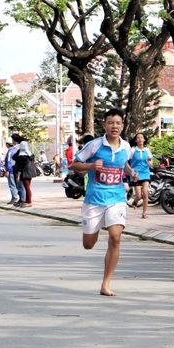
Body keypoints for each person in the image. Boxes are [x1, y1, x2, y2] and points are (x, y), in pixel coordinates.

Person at [69, 109, 134, 297]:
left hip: (117, 199)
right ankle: (93, 230)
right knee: (88, 244)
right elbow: (74, 164)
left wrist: (131, 174)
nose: (115, 126)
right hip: (95, 200)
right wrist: (90, 166)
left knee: (115, 237)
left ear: (122, 126)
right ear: (104, 125)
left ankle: (106, 284)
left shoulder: (126, 147)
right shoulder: (94, 145)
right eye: (111, 122)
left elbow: (124, 164)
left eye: (118, 123)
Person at [128, 133, 153, 218]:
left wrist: (150, 163)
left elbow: (150, 162)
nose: (140, 139)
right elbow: (127, 161)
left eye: (141, 137)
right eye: (138, 138)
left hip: (145, 173)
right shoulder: (133, 150)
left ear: (144, 140)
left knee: (145, 193)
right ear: (136, 140)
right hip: (136, 174)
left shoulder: (147, 150)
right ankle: (135, 201)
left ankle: (144, 213)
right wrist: (131, 172)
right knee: (139, 196)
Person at [12, 133, 35, 208]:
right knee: (28, 187)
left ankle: (28, 202)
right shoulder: (30, 155)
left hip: (25, 173)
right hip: (30, 172)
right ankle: (27, 201)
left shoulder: (21, 155)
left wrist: (18, 176)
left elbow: (20, 167)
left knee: (26, 187)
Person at [4, 138, 26, 206]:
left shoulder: (10, 151)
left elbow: (8, 161)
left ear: (7, 144)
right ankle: (20, 198)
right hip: (15, 170)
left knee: (12, 185)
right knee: (17, 185)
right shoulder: (16, 150)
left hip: (11, 170)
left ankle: (14, 198)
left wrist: (8, 170)